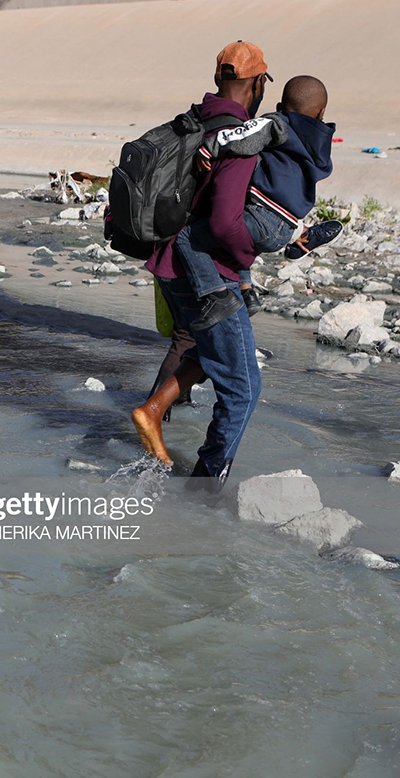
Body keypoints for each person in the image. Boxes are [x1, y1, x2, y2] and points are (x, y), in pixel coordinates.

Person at [131, 41, 271, 492]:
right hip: (208, 274)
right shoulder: (241, 137)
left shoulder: (193, 120)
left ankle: (153, 414)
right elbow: (226, 220)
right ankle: (202, 494)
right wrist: (247, 255)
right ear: (258, 83)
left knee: (201, 348)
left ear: (217, 79)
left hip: (168, 261)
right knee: (243, 389)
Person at [177, 74, 342, 331]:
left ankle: (215, 296)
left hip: (262, 217)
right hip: (285, 225)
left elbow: (245, 135)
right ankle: (250, 288)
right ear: (321, 112)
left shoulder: (278, 123)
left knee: (189, 237)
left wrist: (210, 147)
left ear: (280, 107)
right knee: (234, 227)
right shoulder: (321, 140)